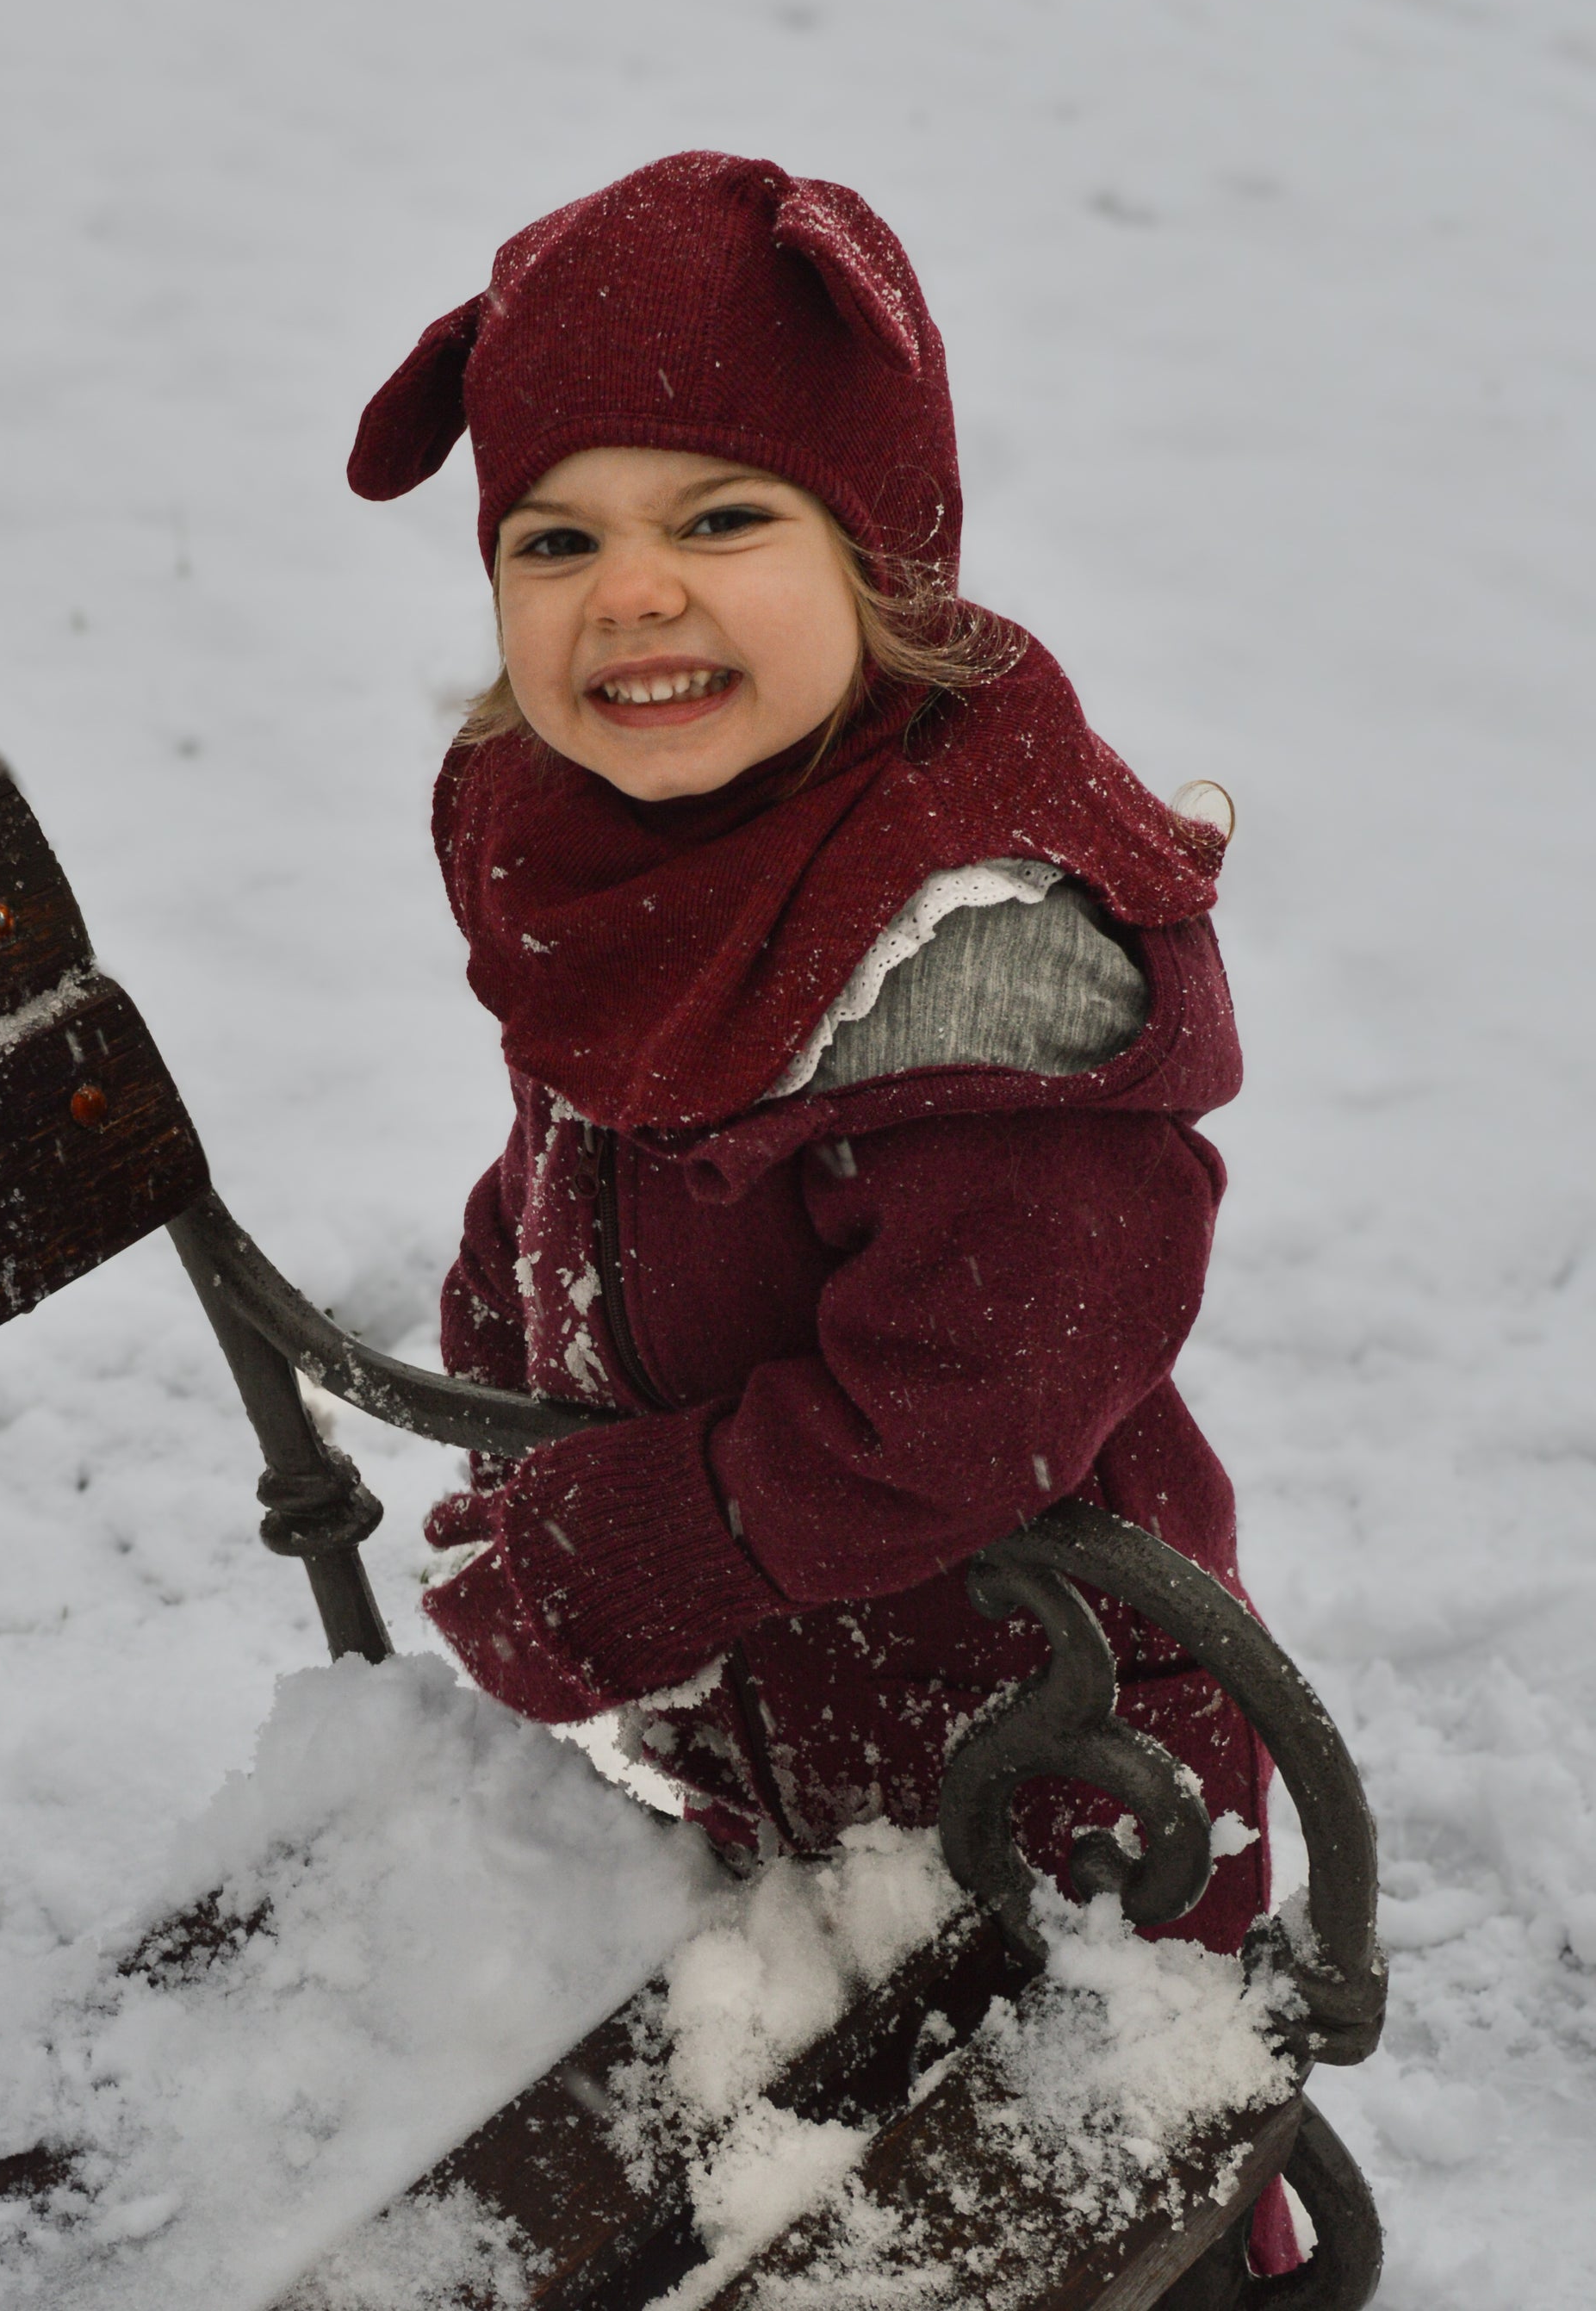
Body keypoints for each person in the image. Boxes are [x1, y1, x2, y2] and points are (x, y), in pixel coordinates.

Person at [348, 152, 1295, 2271]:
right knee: (801, 2096)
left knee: (1073, 2181)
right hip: (790, 1720)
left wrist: (635, 1542)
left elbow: (972, 1400)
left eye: (720, 520)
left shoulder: (981, 962)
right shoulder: (609, 847)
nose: (632, 594)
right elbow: (574, 1140)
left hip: (1044, 1747)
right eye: (553, 537)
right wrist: (516, 1339)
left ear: (886, 559)